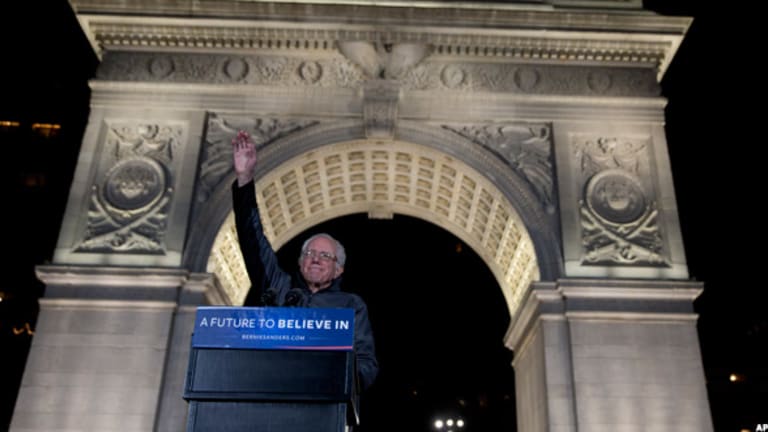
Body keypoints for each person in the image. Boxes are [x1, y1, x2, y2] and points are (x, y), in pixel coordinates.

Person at [231, 129, 379, 391]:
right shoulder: (278, 287)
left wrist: (337, 377)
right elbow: (253, 241)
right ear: (300, 262)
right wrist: (244, 179)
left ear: (338, 269)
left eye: (325, 256)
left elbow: (367, 365)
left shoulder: (351, 305)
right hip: (269, 389)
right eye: (309, 253)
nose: (316, 260)